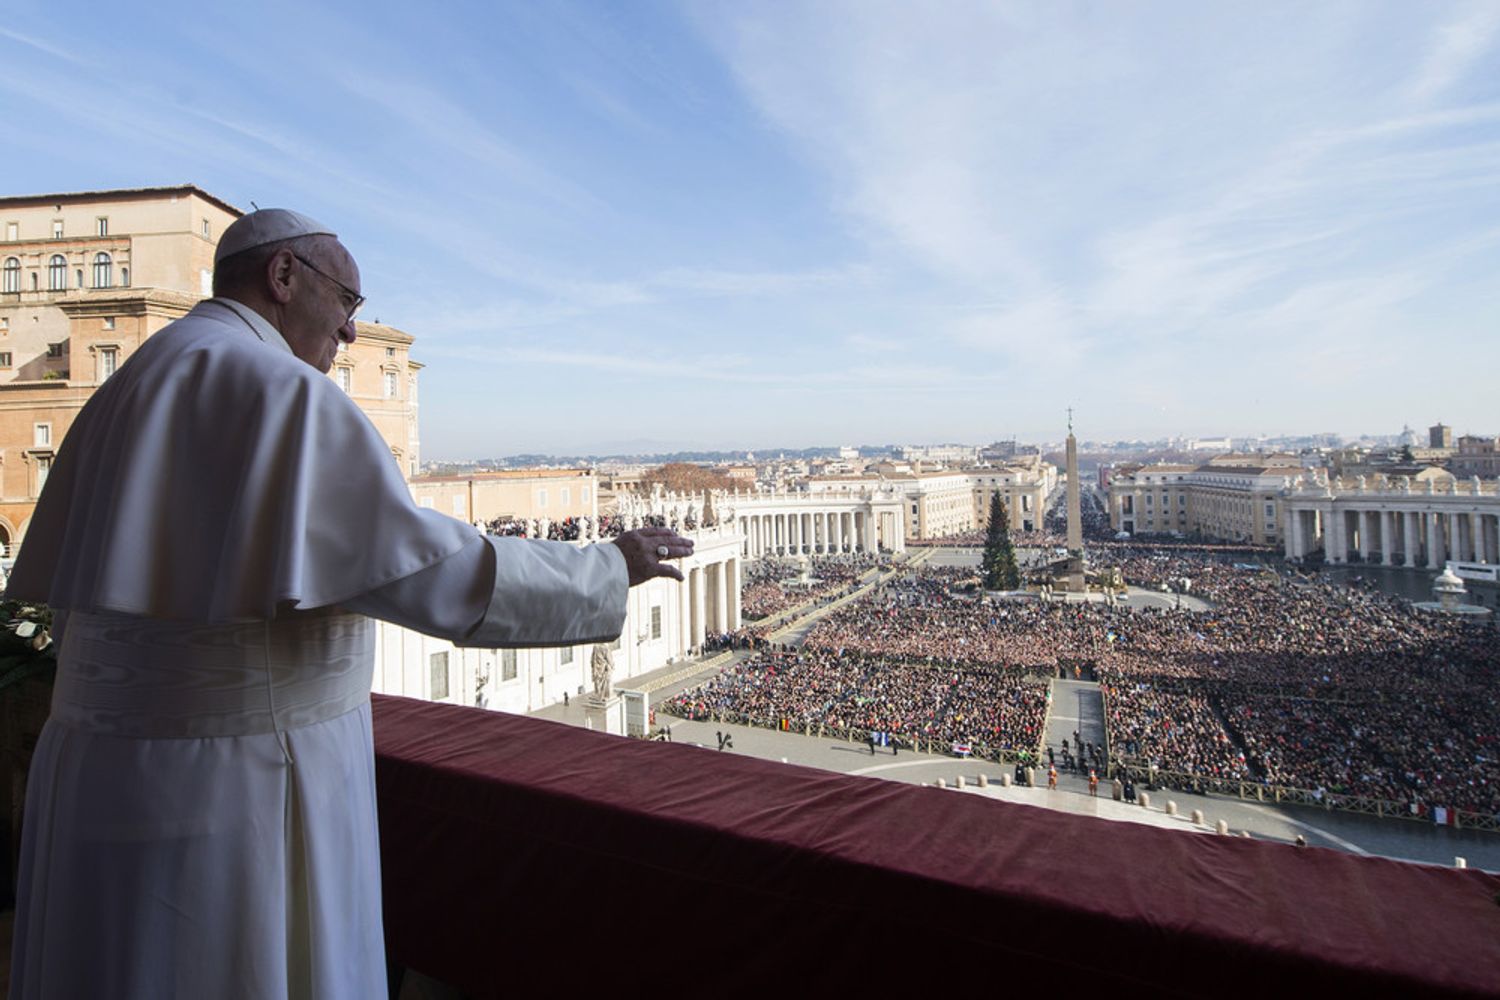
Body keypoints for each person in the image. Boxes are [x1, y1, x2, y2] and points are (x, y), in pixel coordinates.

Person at [4, 209, 693, 1000]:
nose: (354, 334)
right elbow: (423, 568)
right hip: (236, 779)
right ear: (284, 276)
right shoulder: (277, 389)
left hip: (98, 768)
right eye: (348, 302)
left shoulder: (132, 382)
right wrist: (606, 566)